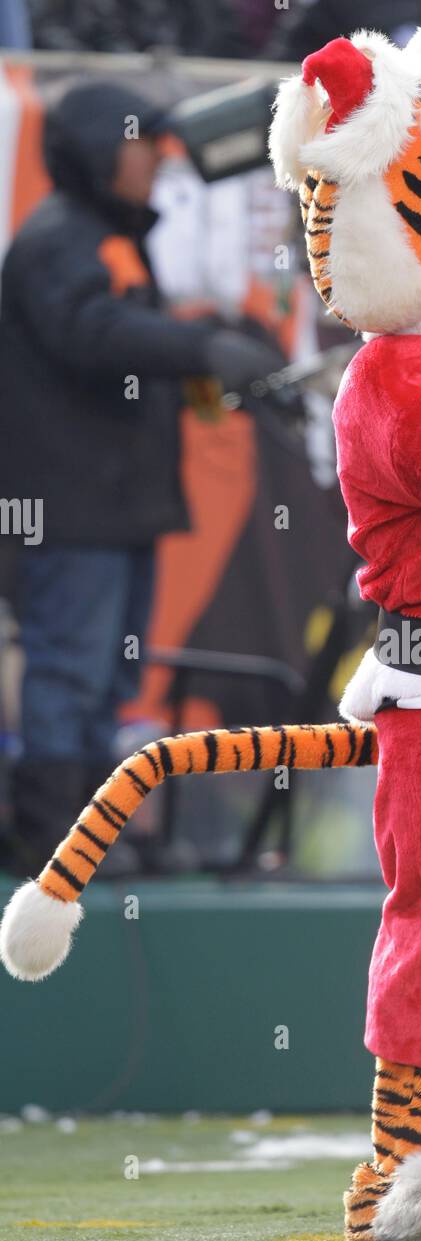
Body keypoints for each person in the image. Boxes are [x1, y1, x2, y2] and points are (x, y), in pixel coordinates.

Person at [0, 79, 284, 873]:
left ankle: (88, 837)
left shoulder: (104, 237)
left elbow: (122, 338)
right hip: (71, 513)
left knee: (107, 676)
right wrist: (198, 350)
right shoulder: (59, 238)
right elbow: (91, 332)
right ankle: (53, 836)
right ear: (96, 152)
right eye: (138, 143)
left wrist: (204, 363)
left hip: (113, 509)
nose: (157, 160)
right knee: (71, 669)